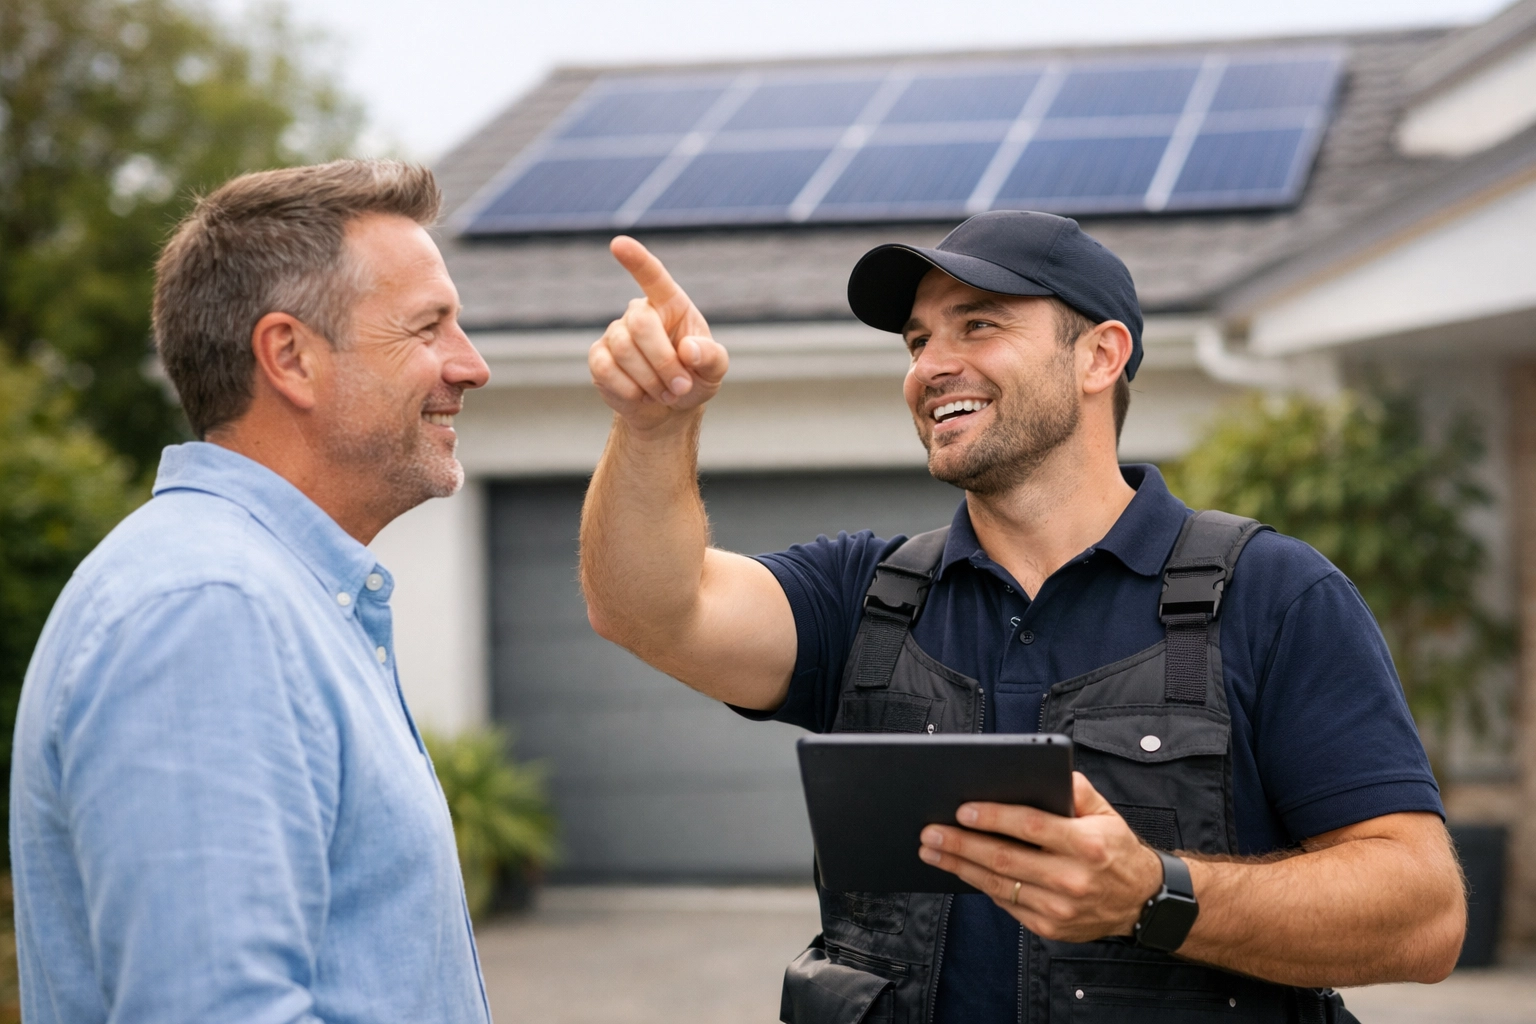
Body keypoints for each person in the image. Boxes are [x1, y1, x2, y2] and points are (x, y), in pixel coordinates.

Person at [579, 210, 1467, 1023]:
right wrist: (655, 427)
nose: (930, 365)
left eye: (979, 324)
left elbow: (1424, 914)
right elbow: (649, 610)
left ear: (1099, 357)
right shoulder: (869, 596)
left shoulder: (1273, 595)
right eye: (919, 339)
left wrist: (1154, 896)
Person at [10, 160, 493, 1024]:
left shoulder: (267, 596)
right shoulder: (208, 610)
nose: (471, 365)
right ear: (289, 357)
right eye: (429, 328)